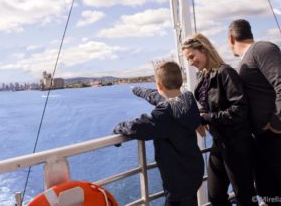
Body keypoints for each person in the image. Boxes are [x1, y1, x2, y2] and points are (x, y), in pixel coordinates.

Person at [113, 61, 204, 206]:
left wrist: (119, 127)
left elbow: (138, 127)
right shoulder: (188, 98)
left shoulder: (165, 113)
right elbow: (158, 97)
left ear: (159, 84)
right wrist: (138, 90)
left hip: (178, 182)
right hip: (194, 172)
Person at [182, 33, 257, 206]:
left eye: (192, 56)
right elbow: (206, 105)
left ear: (204, 49)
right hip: (219, 142)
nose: (191, 62)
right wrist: (198, 115)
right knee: (215, 196)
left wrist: (207, 118)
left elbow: (239, 110)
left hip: (237, 145)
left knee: (245, 196)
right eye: (188, 59)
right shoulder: (203, 76)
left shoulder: (226, 73)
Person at [228, 19, 281, 203]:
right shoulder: (249, 58)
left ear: (230, 39)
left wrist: (277, 122)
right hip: (263, 139)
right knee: (270, 194)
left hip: (276, 137)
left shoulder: (261, 49)